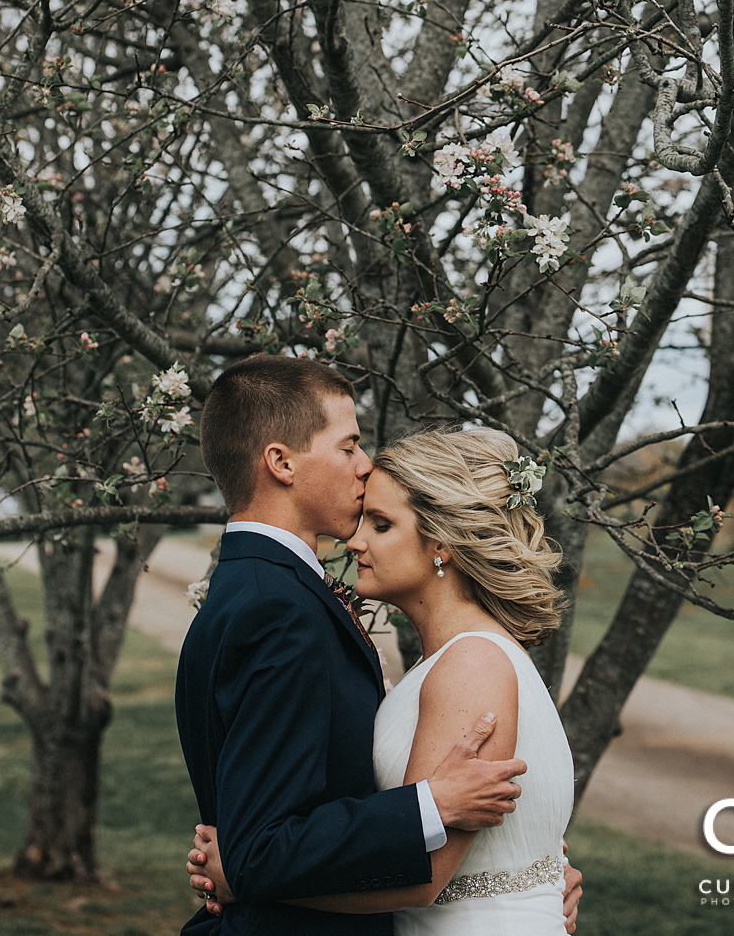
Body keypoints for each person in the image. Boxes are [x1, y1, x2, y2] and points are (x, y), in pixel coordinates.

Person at [178, 357, 582, 934]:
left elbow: (427, 873)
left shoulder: (468, 663)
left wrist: (242, 873)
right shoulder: (279, 606)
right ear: (280, 462)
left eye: (382, 524)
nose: (360, 540)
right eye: (349, 446)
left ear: (442, 544)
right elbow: (268, 830)